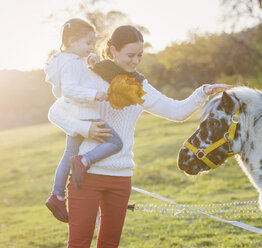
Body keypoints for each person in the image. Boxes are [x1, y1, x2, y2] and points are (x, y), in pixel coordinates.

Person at [48, 24, 232, 248]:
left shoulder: (139, 85)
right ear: (113, 50)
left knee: (109, 244)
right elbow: (56, 112)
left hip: (121, 177)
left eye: (140, 56)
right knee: (78, 244)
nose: (135, 61)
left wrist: (202, 92)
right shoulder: (90, 74)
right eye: (130, 55)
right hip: (85, 175)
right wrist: (86, 129)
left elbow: (177, 112)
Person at [44, 18, 124, 223]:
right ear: (71, 41)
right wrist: (95, 94)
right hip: (86, 114)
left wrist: (89, 60)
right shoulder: (71, 63)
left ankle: (57, 195)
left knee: (69, 153)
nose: (91, 47)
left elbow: (72, 82)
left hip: (76, 114)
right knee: (115, 143)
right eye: (87, 43)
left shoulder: (66, 59)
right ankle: (85, 161)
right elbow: (70, 90)